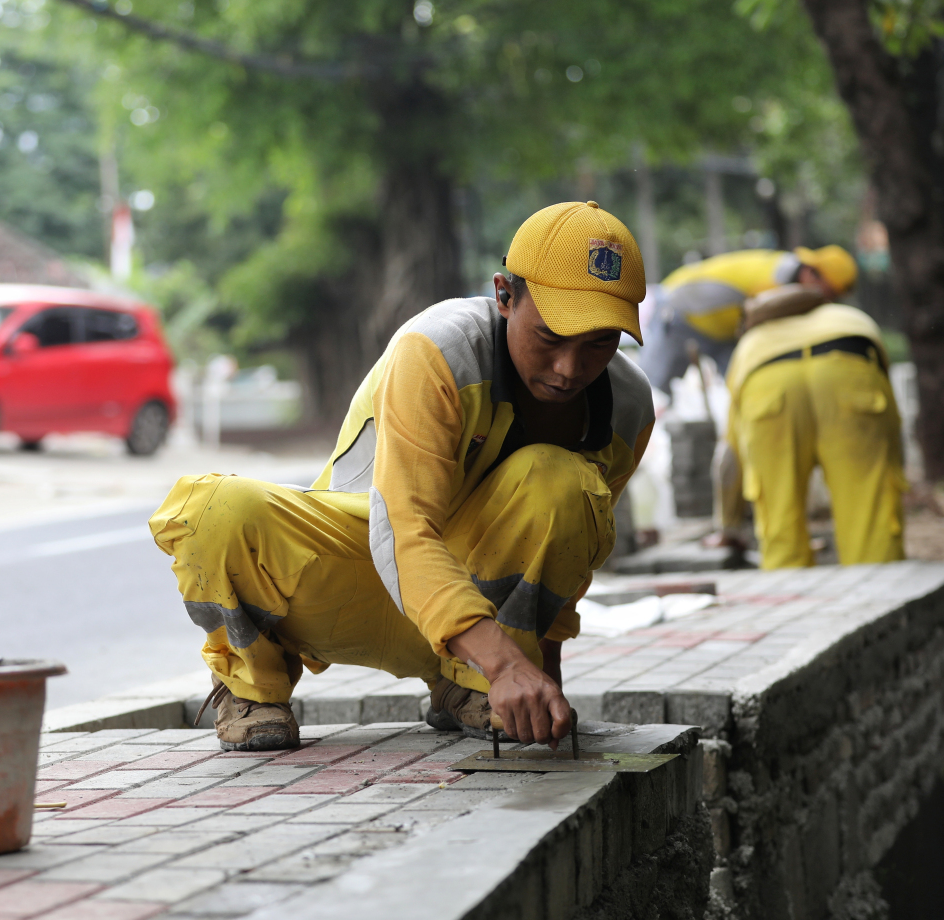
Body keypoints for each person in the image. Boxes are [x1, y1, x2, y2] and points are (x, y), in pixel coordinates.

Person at [149, 201, 655, 751]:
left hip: (474, 632)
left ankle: (470, 689)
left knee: (563, 482)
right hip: (352, 582)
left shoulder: (626, 408)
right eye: (552, 337)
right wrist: (508, 663)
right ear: (505, 295)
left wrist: (539, 681)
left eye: (599, 343)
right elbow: (404, 532)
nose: (569, 369)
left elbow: (567, 566)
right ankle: (250, 689)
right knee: (212, 510)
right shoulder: (439, 350)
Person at [725, 288, 904, 569]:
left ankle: (790, 597)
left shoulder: (751, 342)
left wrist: (728, 524)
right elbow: (891, 422)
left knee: (779, 515)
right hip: (848, 363)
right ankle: (882, 592)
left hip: (767, 379)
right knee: (869, 511)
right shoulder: (847, 317)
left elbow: (731, 454)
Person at [639, 245, 858, 394]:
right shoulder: (771, 282)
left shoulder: (791, 282)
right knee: (653, 390)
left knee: (746, 387)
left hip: (725, 333)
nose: (827, 300)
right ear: (811, 273)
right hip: (680, 313)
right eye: (828, 292)